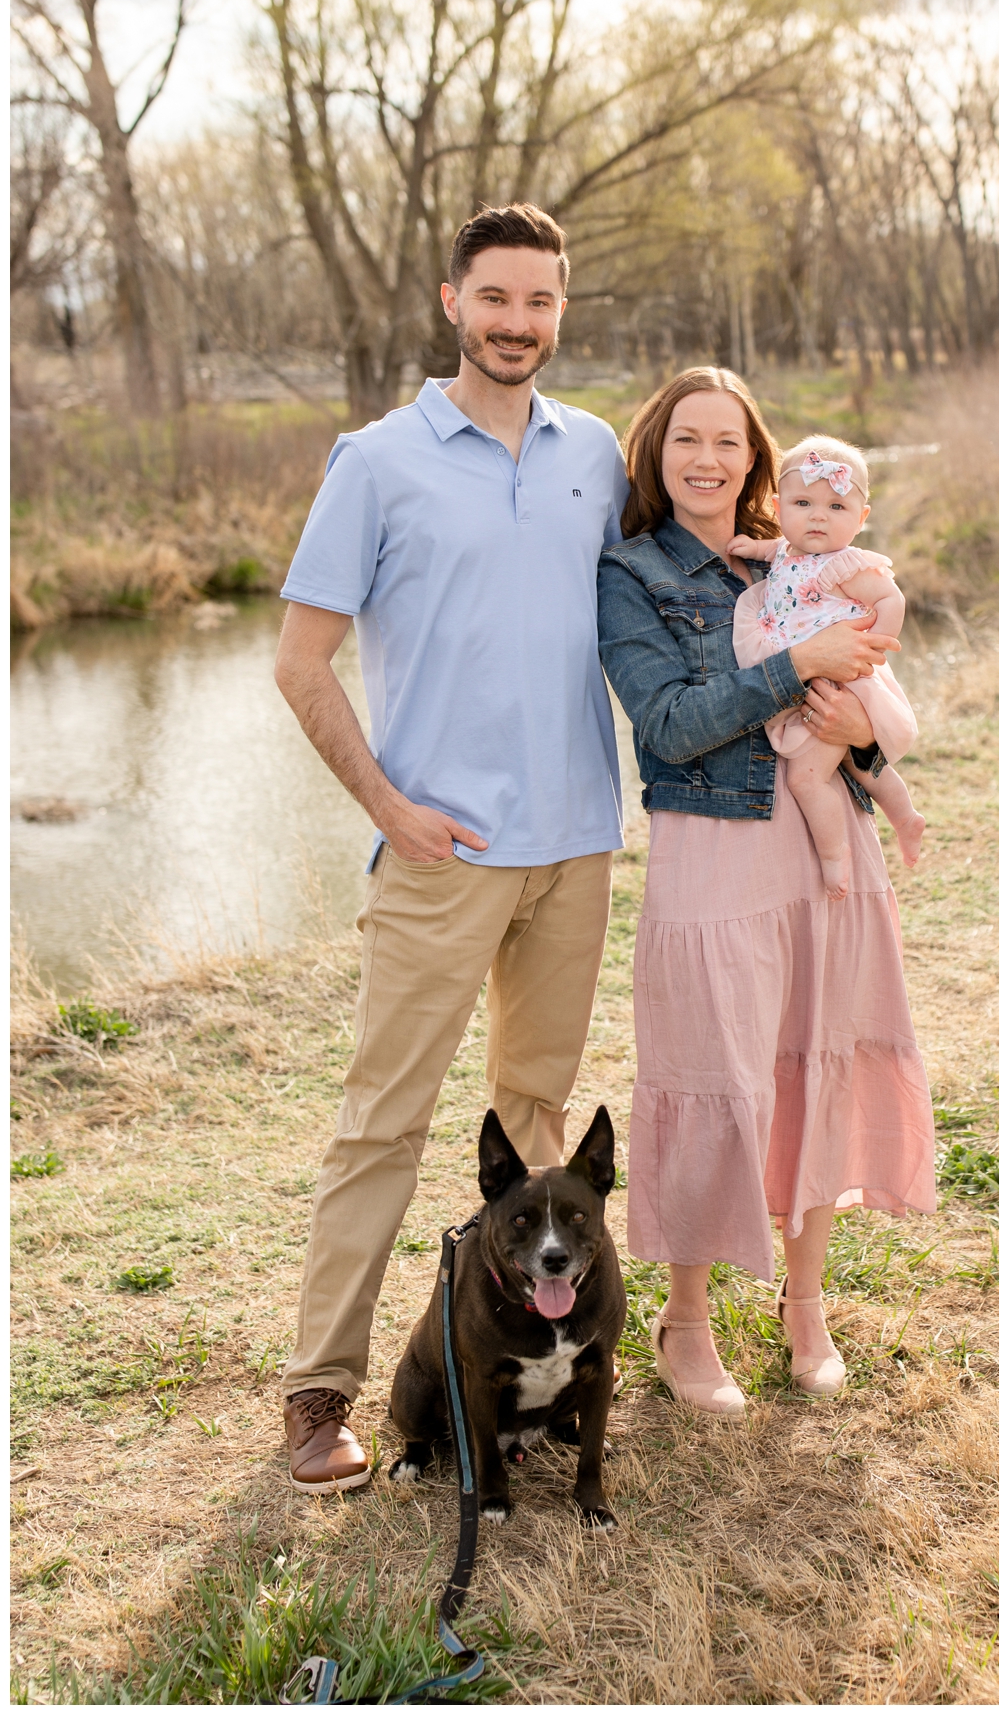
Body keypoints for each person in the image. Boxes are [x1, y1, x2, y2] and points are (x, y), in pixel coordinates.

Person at [272, 203, 629, 1494]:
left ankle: (520, 1374)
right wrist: (386, 805)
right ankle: (321, 1392)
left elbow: (663, 590)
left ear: (559, 311)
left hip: (577, 845)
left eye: (540, 303)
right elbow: (299, 661)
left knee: (535, 1133)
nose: (518, 323)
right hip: (439, 853)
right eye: (497, 299)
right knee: (385, 1122)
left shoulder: (595, 451)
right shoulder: (376, 461)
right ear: (450, 300)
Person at [596, 366, 937, 1417]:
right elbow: (668, 724)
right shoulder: (633, 570)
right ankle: (686, 1321)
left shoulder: (799, 553)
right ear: (655, 449)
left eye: (730, 443)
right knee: (713, 1072)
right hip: (711, 848)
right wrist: (801, 671)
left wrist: (862, 726)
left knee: (815, 1058)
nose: (708, 459)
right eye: (686, 439)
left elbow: (877, 686)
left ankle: (805, 1307)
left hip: (820, 847)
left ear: (757, 458)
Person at [726, 437, 927, 892]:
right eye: (803, 503)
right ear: (779, 508)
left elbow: (890, 597)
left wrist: (878, 642)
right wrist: (745, 547)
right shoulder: (784, 551)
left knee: (806, 776)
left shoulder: (846, 565)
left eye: (836, 507)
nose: (818, 516)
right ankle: (905, 815)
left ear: (862, 518)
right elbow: (769, 552)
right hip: (808, 674)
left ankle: (835, 858)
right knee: (857, 763)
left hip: (841, 679)